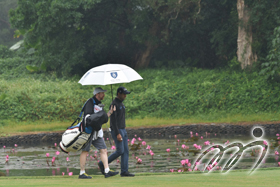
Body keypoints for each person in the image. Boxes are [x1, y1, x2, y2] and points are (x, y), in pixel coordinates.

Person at [79, 87, 119, 179]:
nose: (104, 95)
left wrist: (110, 112)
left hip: (97, 132)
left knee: (103, 150)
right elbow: (89, 118)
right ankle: (82, 173)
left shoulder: (99, 104)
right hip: (88, 132)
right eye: (102, 93)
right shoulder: (90, 102)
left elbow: (101, 118)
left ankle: (107, 171)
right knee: (85, 151)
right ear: (97, 94)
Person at [98, 86, 135, 177]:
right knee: (120, 150)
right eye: (124, 94)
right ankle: (102, 164)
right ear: (119, 94)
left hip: (123, 129)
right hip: (117, 130)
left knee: (125, 151)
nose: (125, 96)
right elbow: (113, 122)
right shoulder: (114, 104)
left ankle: (124, 171)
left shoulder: (121, 104)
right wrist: (118, 133)